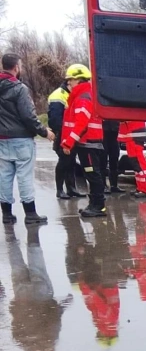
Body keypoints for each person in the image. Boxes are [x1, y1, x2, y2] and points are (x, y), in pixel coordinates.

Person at [0, 53, 53, 224]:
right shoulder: (19, 88)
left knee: (4, 176)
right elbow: (28, 116)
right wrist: (44, 132)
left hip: (2, 139)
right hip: (21, 139)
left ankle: (7, 215)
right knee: (24, 177)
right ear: (16, 67)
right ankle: (30, 214)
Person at [60, 64, 106, 217]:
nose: (69, 84)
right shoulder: (85, 95)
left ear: (79, 80)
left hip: (89, 143)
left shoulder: (83, 97)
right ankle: (94, 204)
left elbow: (81, 123)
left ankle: (98, 206)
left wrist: (68, 143)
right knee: (91, 174)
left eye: (70, 81)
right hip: (88, 142)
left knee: (93, 174)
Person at [48, 79, 83, 199]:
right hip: (62, 134)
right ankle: (59, 189)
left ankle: (71, 188)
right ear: (69, 83)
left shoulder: (71, 94)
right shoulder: (59, 95)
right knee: (63, 162)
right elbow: (55, 119)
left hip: (71, 134)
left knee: (71, 161)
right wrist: (62, 134)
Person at [119, 120, 146, 198]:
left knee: (139, 163)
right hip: (132, 135)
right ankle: (141, 188)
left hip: (134, 134)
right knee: (135, 163)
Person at [102, 120, 123, 194]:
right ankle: (103, 185)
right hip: (104, 132)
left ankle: (114, 185)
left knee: (114, 159)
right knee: (103, 161)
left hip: (115, 132)